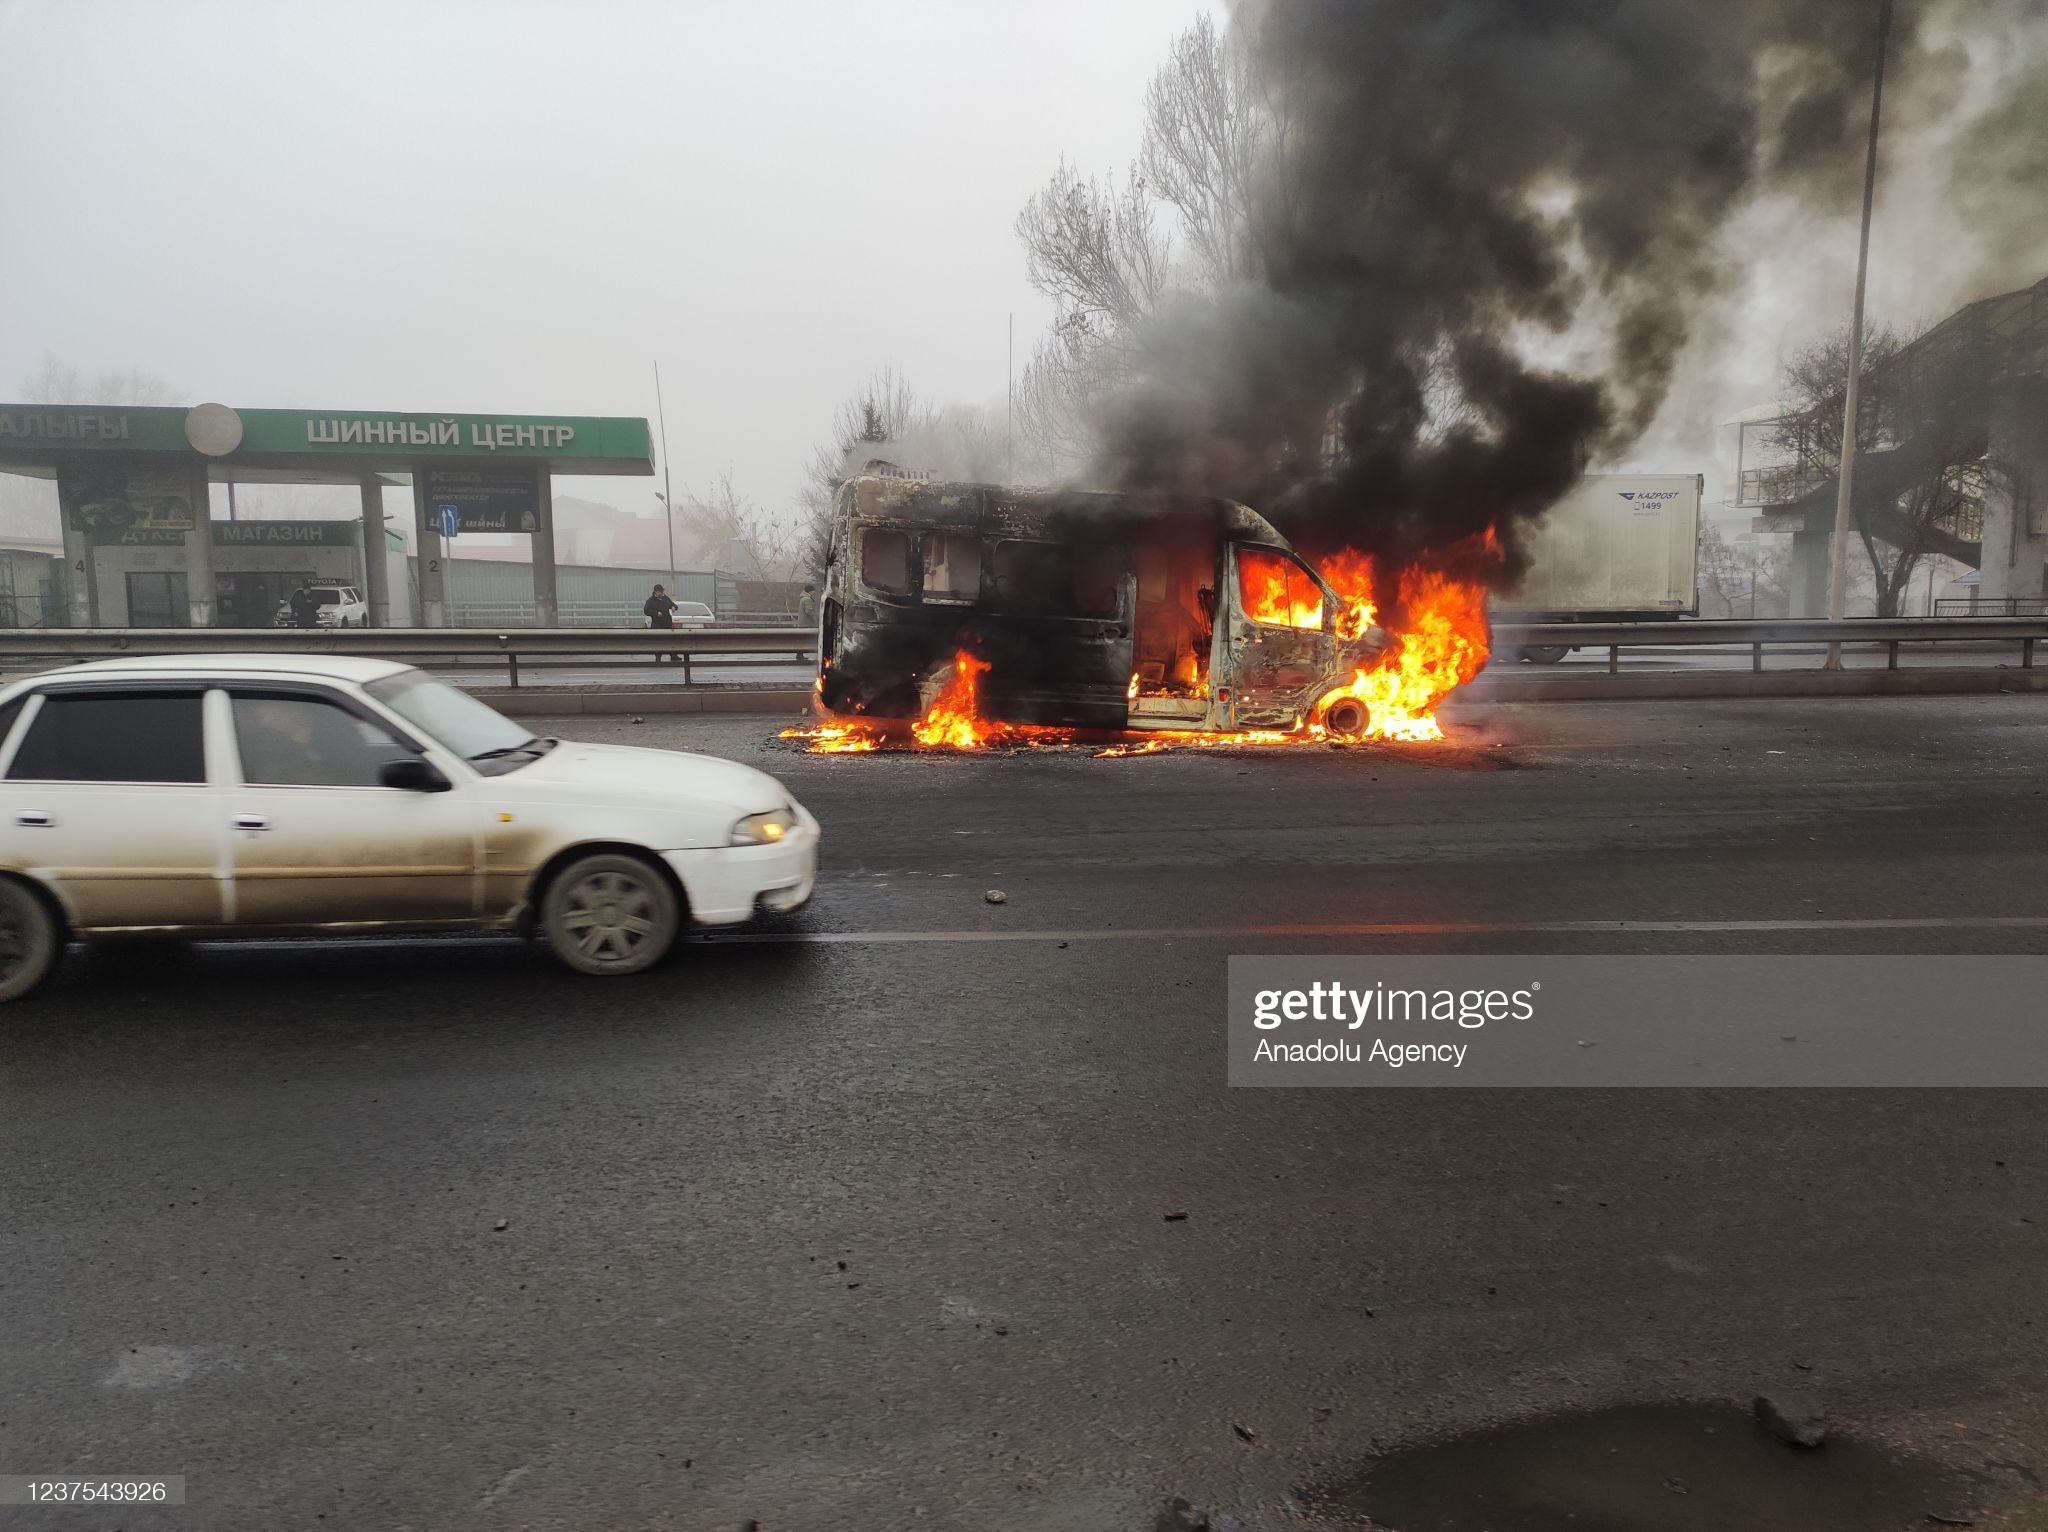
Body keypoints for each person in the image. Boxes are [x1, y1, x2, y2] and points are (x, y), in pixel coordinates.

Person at [643, 583, 678, 664]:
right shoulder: (650, 601)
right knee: (658, 642)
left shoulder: (665, 598)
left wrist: (674, 607)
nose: (662, 593)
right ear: (656, 592)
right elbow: (646, 611)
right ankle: (658, 658)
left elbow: (673, 605)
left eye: (662, 591)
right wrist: (656, 613)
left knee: (671, 641)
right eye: (660, 592)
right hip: (657, 625)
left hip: (667, 624)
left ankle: (673, 656)